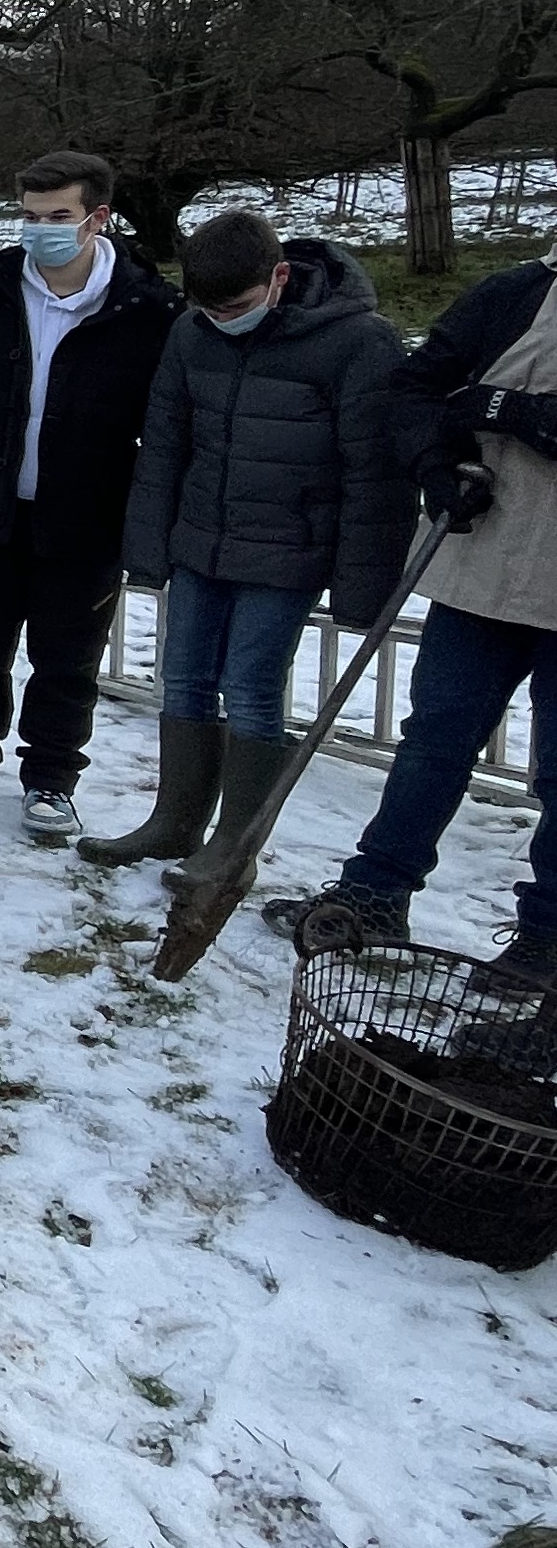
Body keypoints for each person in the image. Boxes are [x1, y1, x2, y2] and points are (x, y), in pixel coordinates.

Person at [275, 238, 557, 984]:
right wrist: (438, 463)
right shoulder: (514, 295)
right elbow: (418, 388)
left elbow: (494, 405)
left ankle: (547, 939)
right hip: (484, 565)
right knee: (434, 738)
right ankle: (376, 891)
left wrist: (510, 409)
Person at [90, 213, 411, 868]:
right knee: (180, 680)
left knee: (251, 687)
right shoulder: (191, 332)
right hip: (202, 539)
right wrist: (149, 546)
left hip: (288, 551)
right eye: (204, 307)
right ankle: (173, 822)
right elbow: (165, 444)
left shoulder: (359, 344)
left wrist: (361, 588)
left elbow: (376, 475)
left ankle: (234, 842)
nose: (218, 318)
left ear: (279, 277)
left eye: (232, 306)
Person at [0, 149, 179, 840]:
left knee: (66, 657)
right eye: (29, 216)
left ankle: (50, 778)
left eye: (58, 216)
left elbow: (167, 418)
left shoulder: (146, 309)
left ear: (96, 219)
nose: (41, 229)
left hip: (85, 515)